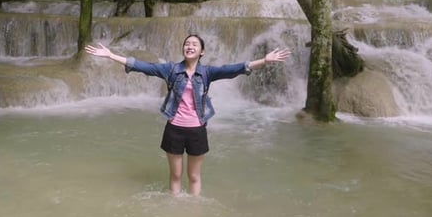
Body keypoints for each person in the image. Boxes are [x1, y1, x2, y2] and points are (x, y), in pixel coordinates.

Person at [85, 34, 291, 196]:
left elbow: (234, 69)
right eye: (187, 43)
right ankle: (175, 209)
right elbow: (142, 66)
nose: (189, 46)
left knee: (193, 176)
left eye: (194, 44)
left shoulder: (207, 72)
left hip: (197, 130)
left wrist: (264, 60)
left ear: (201, 51)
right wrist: (110, 55)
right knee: (175, 175)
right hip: (174, 128)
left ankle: (193, 210)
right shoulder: (171, 69)